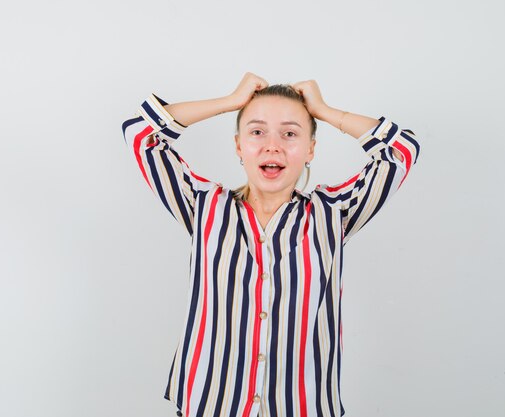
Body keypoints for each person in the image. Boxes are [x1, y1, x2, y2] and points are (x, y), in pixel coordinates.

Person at [121, 72, 420, 417]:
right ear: (238, 146)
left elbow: (401, 150)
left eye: (290, 134)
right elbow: (141, 133)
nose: (272, 146)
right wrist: (229, 102)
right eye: (257, 132)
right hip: (210, 406)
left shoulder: (333, 213)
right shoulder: (204, 206)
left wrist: (324, 111)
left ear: (310, 149)